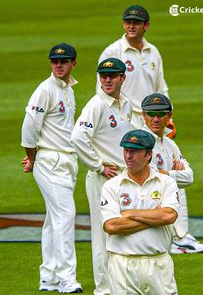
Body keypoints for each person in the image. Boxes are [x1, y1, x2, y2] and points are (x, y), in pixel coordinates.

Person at [21, 43, 82, 293]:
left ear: (73, 64)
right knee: (66, 216)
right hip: (50, 162)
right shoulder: (45, 90)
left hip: (66, 162)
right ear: (50, 64)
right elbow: (29, 128)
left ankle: (48, 277)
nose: (58, 65)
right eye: (55, 61)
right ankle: (67, 279)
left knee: (53, 220)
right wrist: (32, 157)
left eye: (64, 61)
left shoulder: (68, 89)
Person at [71, 58, 133, 295]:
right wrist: (98, 166)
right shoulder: (96, 105)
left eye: (113, 76)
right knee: (102, 233)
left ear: (122, 78)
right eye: (103, 76)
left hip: (121, 177)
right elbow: (78, 137)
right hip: (102, 179)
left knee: (121, 232)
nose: (107, 80)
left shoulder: (125, 103)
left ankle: (120, 286)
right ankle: (104, 290)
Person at [100, 129, 180, 295]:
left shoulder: (167, 183)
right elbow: (112, 226)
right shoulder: (111, 186)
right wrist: (154, 217)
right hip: (123, 265)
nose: (128, 156)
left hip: (159, 264)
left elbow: (169, 215)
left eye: (135, 151)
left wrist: (129, 213)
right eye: (126, 150)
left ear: (148, 155)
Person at [141, 92, 203, 254]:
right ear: (144, 115)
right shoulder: (141, 141)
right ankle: (177, 239)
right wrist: (172, 174)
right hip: (145, 202)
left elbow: (189, 177)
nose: (155, 119)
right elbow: (148, 175)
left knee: (174, 183)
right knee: (172, 183)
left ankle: (179, 238)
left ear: (169, 116)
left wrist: (167, 174)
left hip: (160, 202)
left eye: (161, 114)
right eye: (151, 114)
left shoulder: (170, 144)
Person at [97, 4, 176, 137]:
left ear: (146, 26)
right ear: (123, 24)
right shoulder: (112, 52)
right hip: (125, 117)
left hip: (150, 117)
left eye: (136, 23)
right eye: (128, 22)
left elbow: (160, 87)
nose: (131, 26)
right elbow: (102, 90)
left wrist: (168, 115)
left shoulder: (153, 52)